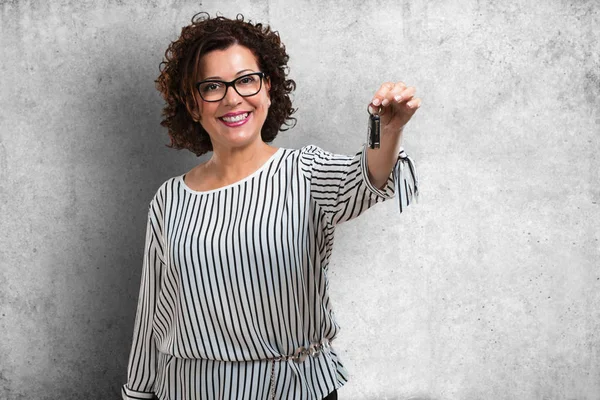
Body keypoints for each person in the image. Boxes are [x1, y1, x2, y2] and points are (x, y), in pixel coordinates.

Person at [122, 12, 420, 400]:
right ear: (193, 105)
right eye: (212, 86)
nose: (233, 98)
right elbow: (153, 312)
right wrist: (137, 394)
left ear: (269, 88)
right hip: (188, 391)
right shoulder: (170, 198)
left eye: (246, 80)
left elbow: (368, 177)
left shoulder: (305, 172)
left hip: (293, 391)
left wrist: (389, 129)